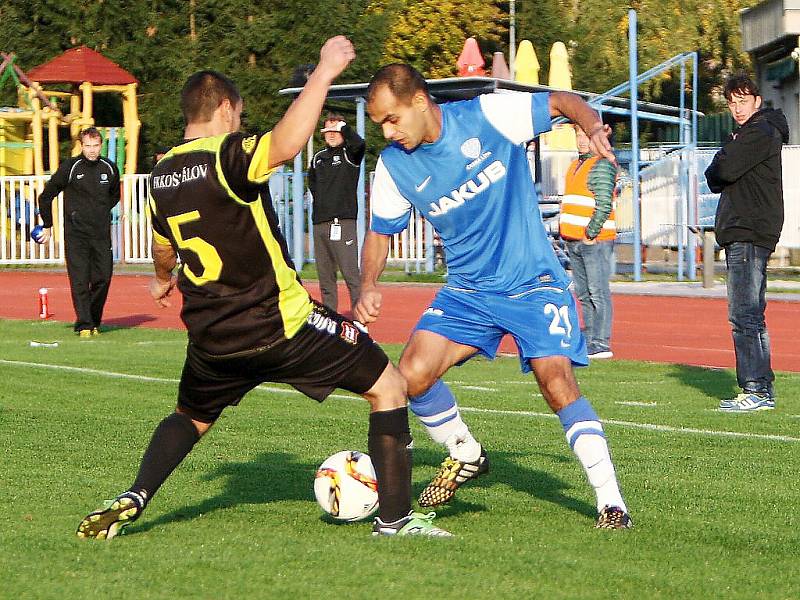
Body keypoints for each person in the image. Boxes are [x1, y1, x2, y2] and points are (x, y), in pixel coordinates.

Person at [76, 38, 451, 541]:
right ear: (226, 108)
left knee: (191, 416)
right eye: (240, 113)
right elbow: (288, 142)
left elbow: (164, 250)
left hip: (212, 338)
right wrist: (323, 71)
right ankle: (396, 522)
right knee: (388, 386)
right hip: (282, 325)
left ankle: (134, 495)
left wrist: (164, 279)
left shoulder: (160, 176)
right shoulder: (228, 155)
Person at [356, 64, 631, 529]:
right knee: (411, 377)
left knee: (555, 381)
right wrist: (367, 284)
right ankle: (465, 452)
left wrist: (591, 127)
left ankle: (612, 502)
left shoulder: (488, 116)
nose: (388, 131)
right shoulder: (394, 165)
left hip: (532, 283)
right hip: (467, 292)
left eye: (392, 119)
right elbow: (381, 233)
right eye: (380, 122)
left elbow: (563, 100)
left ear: (420, 102)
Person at [705, 73, 788, 412]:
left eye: (742, 101)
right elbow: (718, 173)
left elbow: (721, 171)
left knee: (744, 314)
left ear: (757, 101)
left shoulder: (759, 132)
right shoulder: (749, 133)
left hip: (748, 230)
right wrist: (722, 163)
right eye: (732, 102)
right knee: (752, 313)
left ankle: (755, 387)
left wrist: (723, 162)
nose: (737, 108)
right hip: (747, 229)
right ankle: (761, 387)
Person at [35, 127, 120, 337]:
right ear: (81, 146)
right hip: (76, 235)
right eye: (88, 146)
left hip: (101, 234)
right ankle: (84, 325)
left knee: (103, 278)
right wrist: (48, 224)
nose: (92, 150)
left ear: (101, 146)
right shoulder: (71, 167)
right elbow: (46, 196)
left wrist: (99, 212)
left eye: (95, 146)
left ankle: (92, 320)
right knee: (80, 280)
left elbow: (114, 195)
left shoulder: (109, 168)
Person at [560, 125, 618, 359]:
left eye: (586, 136)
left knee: (597, 291)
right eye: (578, 136)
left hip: (594, 241)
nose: (582, 141)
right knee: (584, 292)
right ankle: (591, 335)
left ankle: (601, 341)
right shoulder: (576, 164)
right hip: (574, 239)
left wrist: (590, 234)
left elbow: (603, 204)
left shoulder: (601, 164)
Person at [308, 112, 366, 312]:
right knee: (325, 278)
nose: (331, 135)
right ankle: (330, 320)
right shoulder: (318, 158)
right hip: (320, 223)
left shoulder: (350, 154)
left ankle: (360, 323)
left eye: (336, 131)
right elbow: (313, 184)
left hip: (343, 223)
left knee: (351, 275)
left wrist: (345, 127)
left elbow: (359, 145)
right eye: (328, 131)